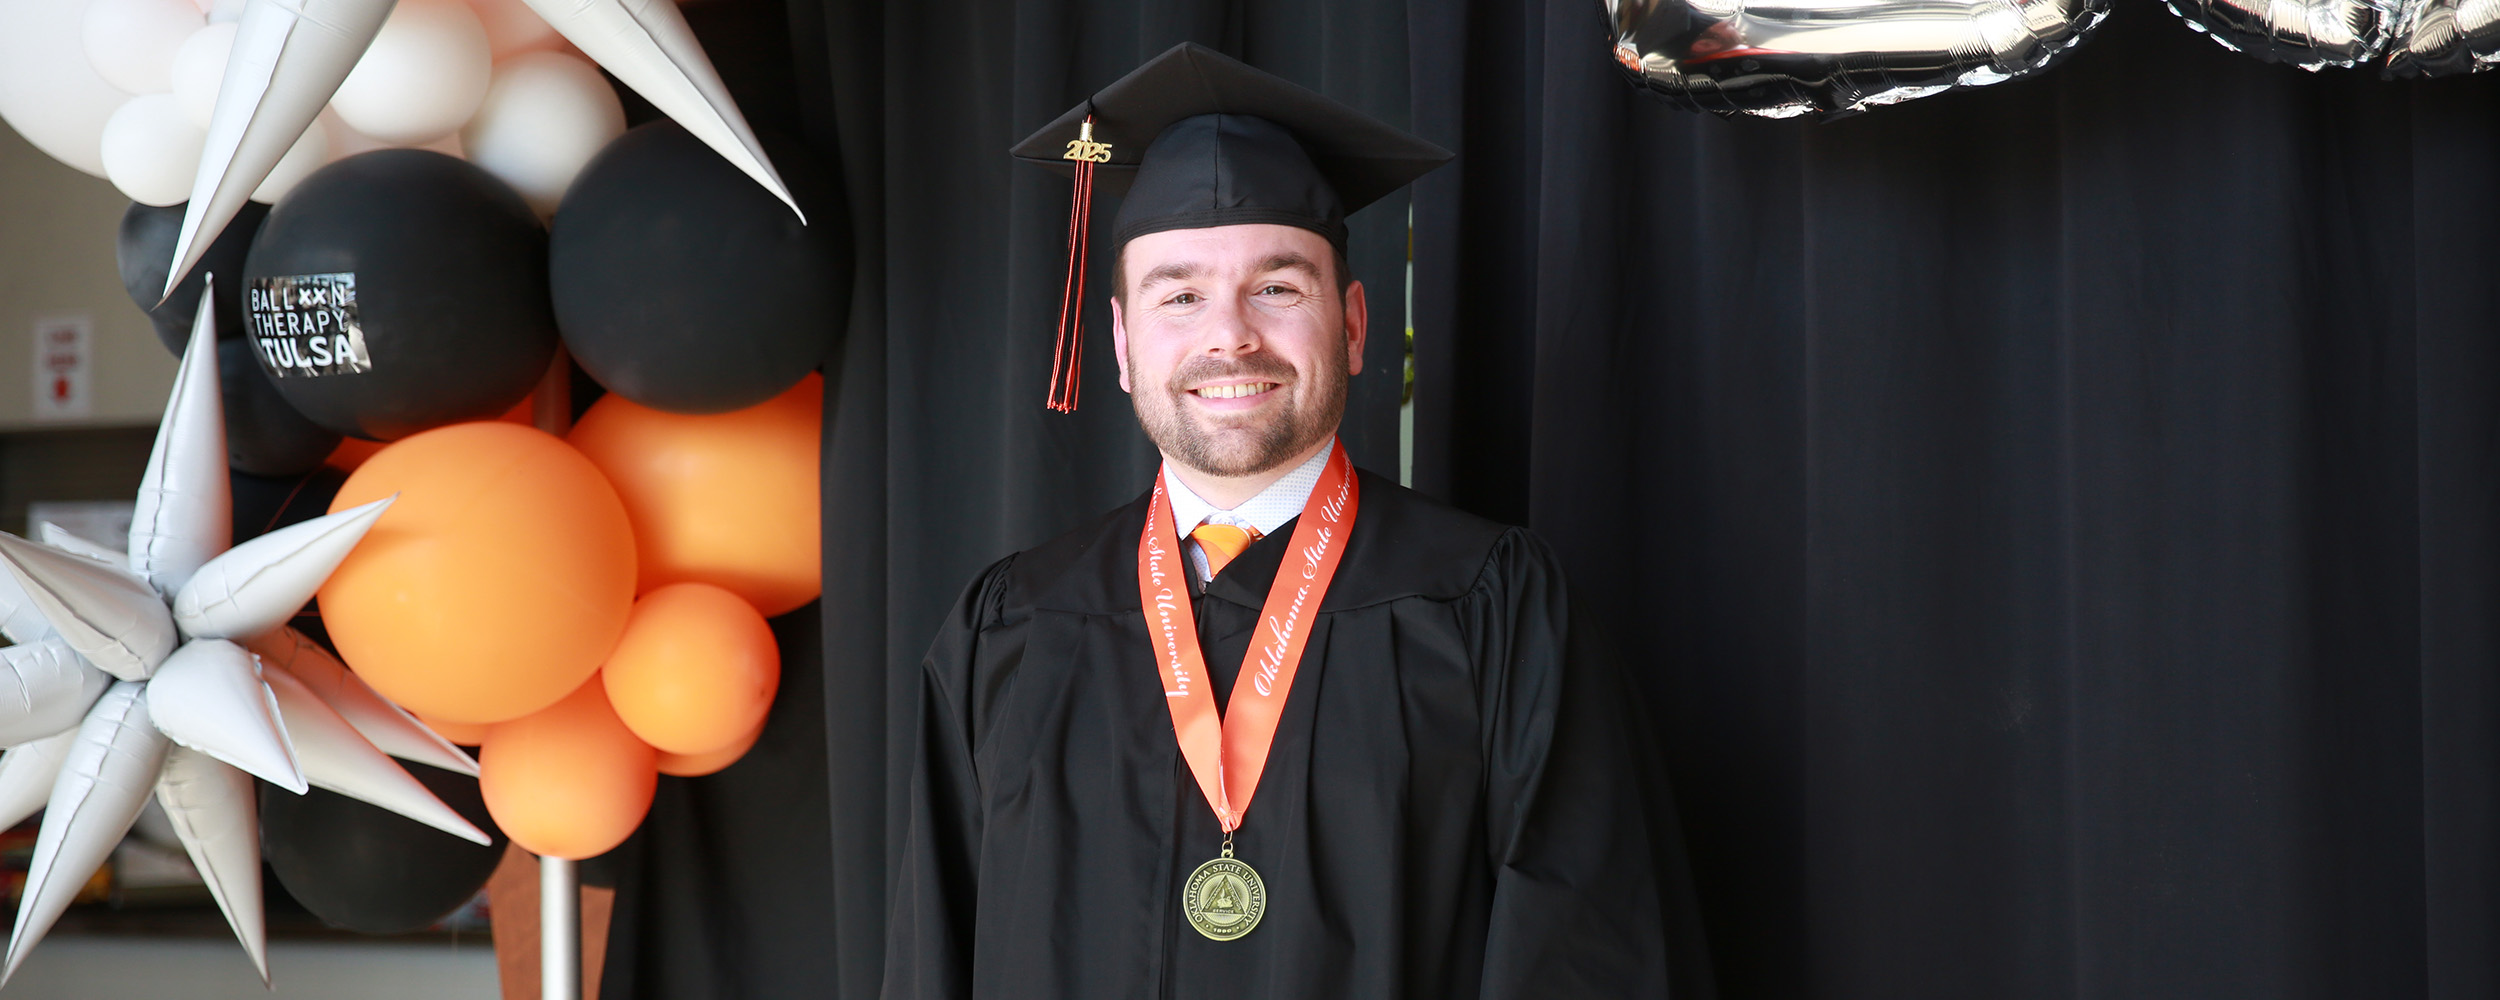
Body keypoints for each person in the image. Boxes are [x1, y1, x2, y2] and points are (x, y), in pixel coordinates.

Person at [886, 42, 1681, 999]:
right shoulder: (1008, 630)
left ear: (1351, 326)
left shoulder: (1492, 609)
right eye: (1180, 294)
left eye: (1277, 287)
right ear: (1123, 344)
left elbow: (1583, 963)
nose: (1229, 334)